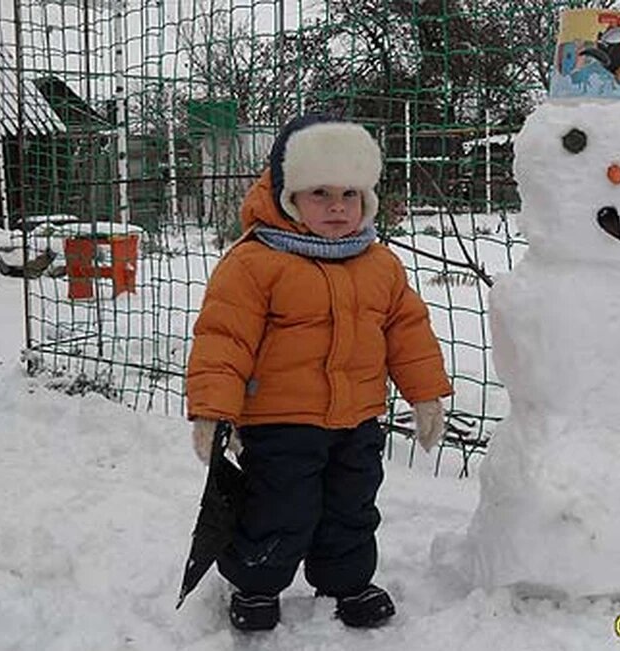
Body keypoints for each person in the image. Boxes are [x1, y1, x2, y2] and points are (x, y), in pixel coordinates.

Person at [185, 114, 453, 632]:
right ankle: (256, 584)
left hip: (358, 419)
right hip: (280, 422)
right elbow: (224, 340)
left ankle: (347, 581)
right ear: (288, 197)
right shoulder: (254, 262)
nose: (337, 206)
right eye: (320, 193)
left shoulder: (379, 264)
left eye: (350, 194)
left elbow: (408, 332)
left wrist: (425, 395)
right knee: (279, 507)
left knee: (352, 506)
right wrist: (214, 411)